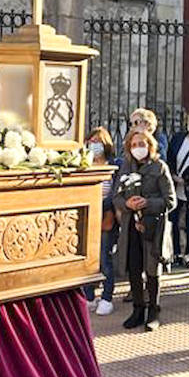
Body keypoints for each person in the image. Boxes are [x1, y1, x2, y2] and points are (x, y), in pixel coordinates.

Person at [113, 129, 177, 330]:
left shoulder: (159, 167)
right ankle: (138, 309)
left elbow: (170, 201)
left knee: (152, 269)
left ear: (150, 146)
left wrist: (147, 203)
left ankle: (153, 310)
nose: (137, 148)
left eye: (142, 144)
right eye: (134, 145)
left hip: (152, 227)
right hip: (131, 225)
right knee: (133, 268)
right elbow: (116, 197)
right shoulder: (125, 167)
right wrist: (127, 204)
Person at [85, 127, 121, 315]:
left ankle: (107, 298)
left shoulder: (114, 165)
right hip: (87, 219)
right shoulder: (84, 163)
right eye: (92, 141)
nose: (95, 145)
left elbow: (116, 193)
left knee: (104, 259)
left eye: (99, 141)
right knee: (88, 260)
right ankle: (89, 296)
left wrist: (100, 204)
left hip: (106, 217)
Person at [166, 113, 189, 268]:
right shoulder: (178, 138)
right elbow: (170, 157)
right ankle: (174, 252)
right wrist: (173, 176)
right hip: (176, 183)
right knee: (173, 217)